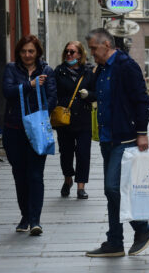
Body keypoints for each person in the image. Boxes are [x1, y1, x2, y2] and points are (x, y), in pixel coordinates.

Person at [84, 28, 149, 257]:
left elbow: (142, 101)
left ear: (106, 44)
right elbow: (103, 95)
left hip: (125, 137)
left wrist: (142, 132)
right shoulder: (102, 69)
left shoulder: (126, 66)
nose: (92, 53)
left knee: (113, 187)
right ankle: (115, 241)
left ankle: (142, 228)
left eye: (94, 48)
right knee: (112, 191)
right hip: (108, 137)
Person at [2, 35, 57, 236]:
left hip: (37, 130)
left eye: (31, 51)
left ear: (38, 53)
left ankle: (35, 220)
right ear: (19, 53)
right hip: (14, 129)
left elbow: (52, 97)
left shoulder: (47, 71)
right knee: (20, 175)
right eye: (24, 51)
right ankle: (25, 215)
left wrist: (38, 114)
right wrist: (30, 85)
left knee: (35, 175)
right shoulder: (11, 69)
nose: (27, 55)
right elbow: (7, 92)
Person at [54, 41, 96, 199]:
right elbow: (53, 93)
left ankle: (81, 186)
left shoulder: (88, 72)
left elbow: (96, 93)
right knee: (65, 153)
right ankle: (68, 179)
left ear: (80, 55)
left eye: (72, 52)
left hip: (83, 118)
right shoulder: (59, 71)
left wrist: (89, 95)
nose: (69, 54)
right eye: (67, 51)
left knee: (83, 153)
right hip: (64, 119)